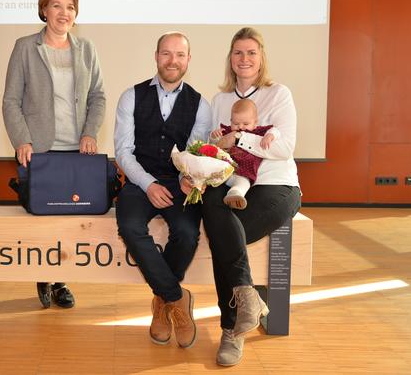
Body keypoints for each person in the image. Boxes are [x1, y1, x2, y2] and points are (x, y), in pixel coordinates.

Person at [200, 27, 301, 366]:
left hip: (276, 186)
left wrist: (240, 140)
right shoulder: (220, 100)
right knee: (216, 214)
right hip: (233, 184)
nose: (244, 59)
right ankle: (248, 299)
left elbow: (285, 148)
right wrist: (218, 147)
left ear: (261, 58)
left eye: (251, 53)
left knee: (223, 234)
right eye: (238, 53)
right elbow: (212, 151)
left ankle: (231, 330)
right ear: (230, 59)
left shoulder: (279, 94)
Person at [2, 0, 106, 309]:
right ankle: (42, 273)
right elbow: (10, 101)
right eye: (58, 5)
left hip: (76, 150)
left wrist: (90, 132)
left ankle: (60, 280)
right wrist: (22, 140)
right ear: (44, 9)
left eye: (71, 7)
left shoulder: (86, 49)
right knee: (43, 219)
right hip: (40, 149)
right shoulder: (24, 47)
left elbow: (98, 96)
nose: (64, 13)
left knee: (69, 220)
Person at [114, 32, 211, 349]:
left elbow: (196, 155)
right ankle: (176, 297)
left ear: (188, 59)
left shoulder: (201, 105)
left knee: (186, 233)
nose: (173, 61)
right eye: (166, 54)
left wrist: (189, 178)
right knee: (129, 226)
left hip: (179, 182)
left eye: (179, 55)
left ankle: (160, 304)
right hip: (140, 178)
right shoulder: (131, 96)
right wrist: (148, 183)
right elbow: (123, 152)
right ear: (156, 56)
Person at [210, 98, 280, 210]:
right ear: (231, 120)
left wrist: (269, 136)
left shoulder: (258, 132)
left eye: (246, 123)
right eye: (236, 123)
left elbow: (275, 130)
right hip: (224, 168)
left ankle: (234, 194)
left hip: (243, 171)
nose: (240, 127)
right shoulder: (227, 131)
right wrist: (214, 136)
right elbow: (215, 145)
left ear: (255, 122)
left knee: (243, 183)